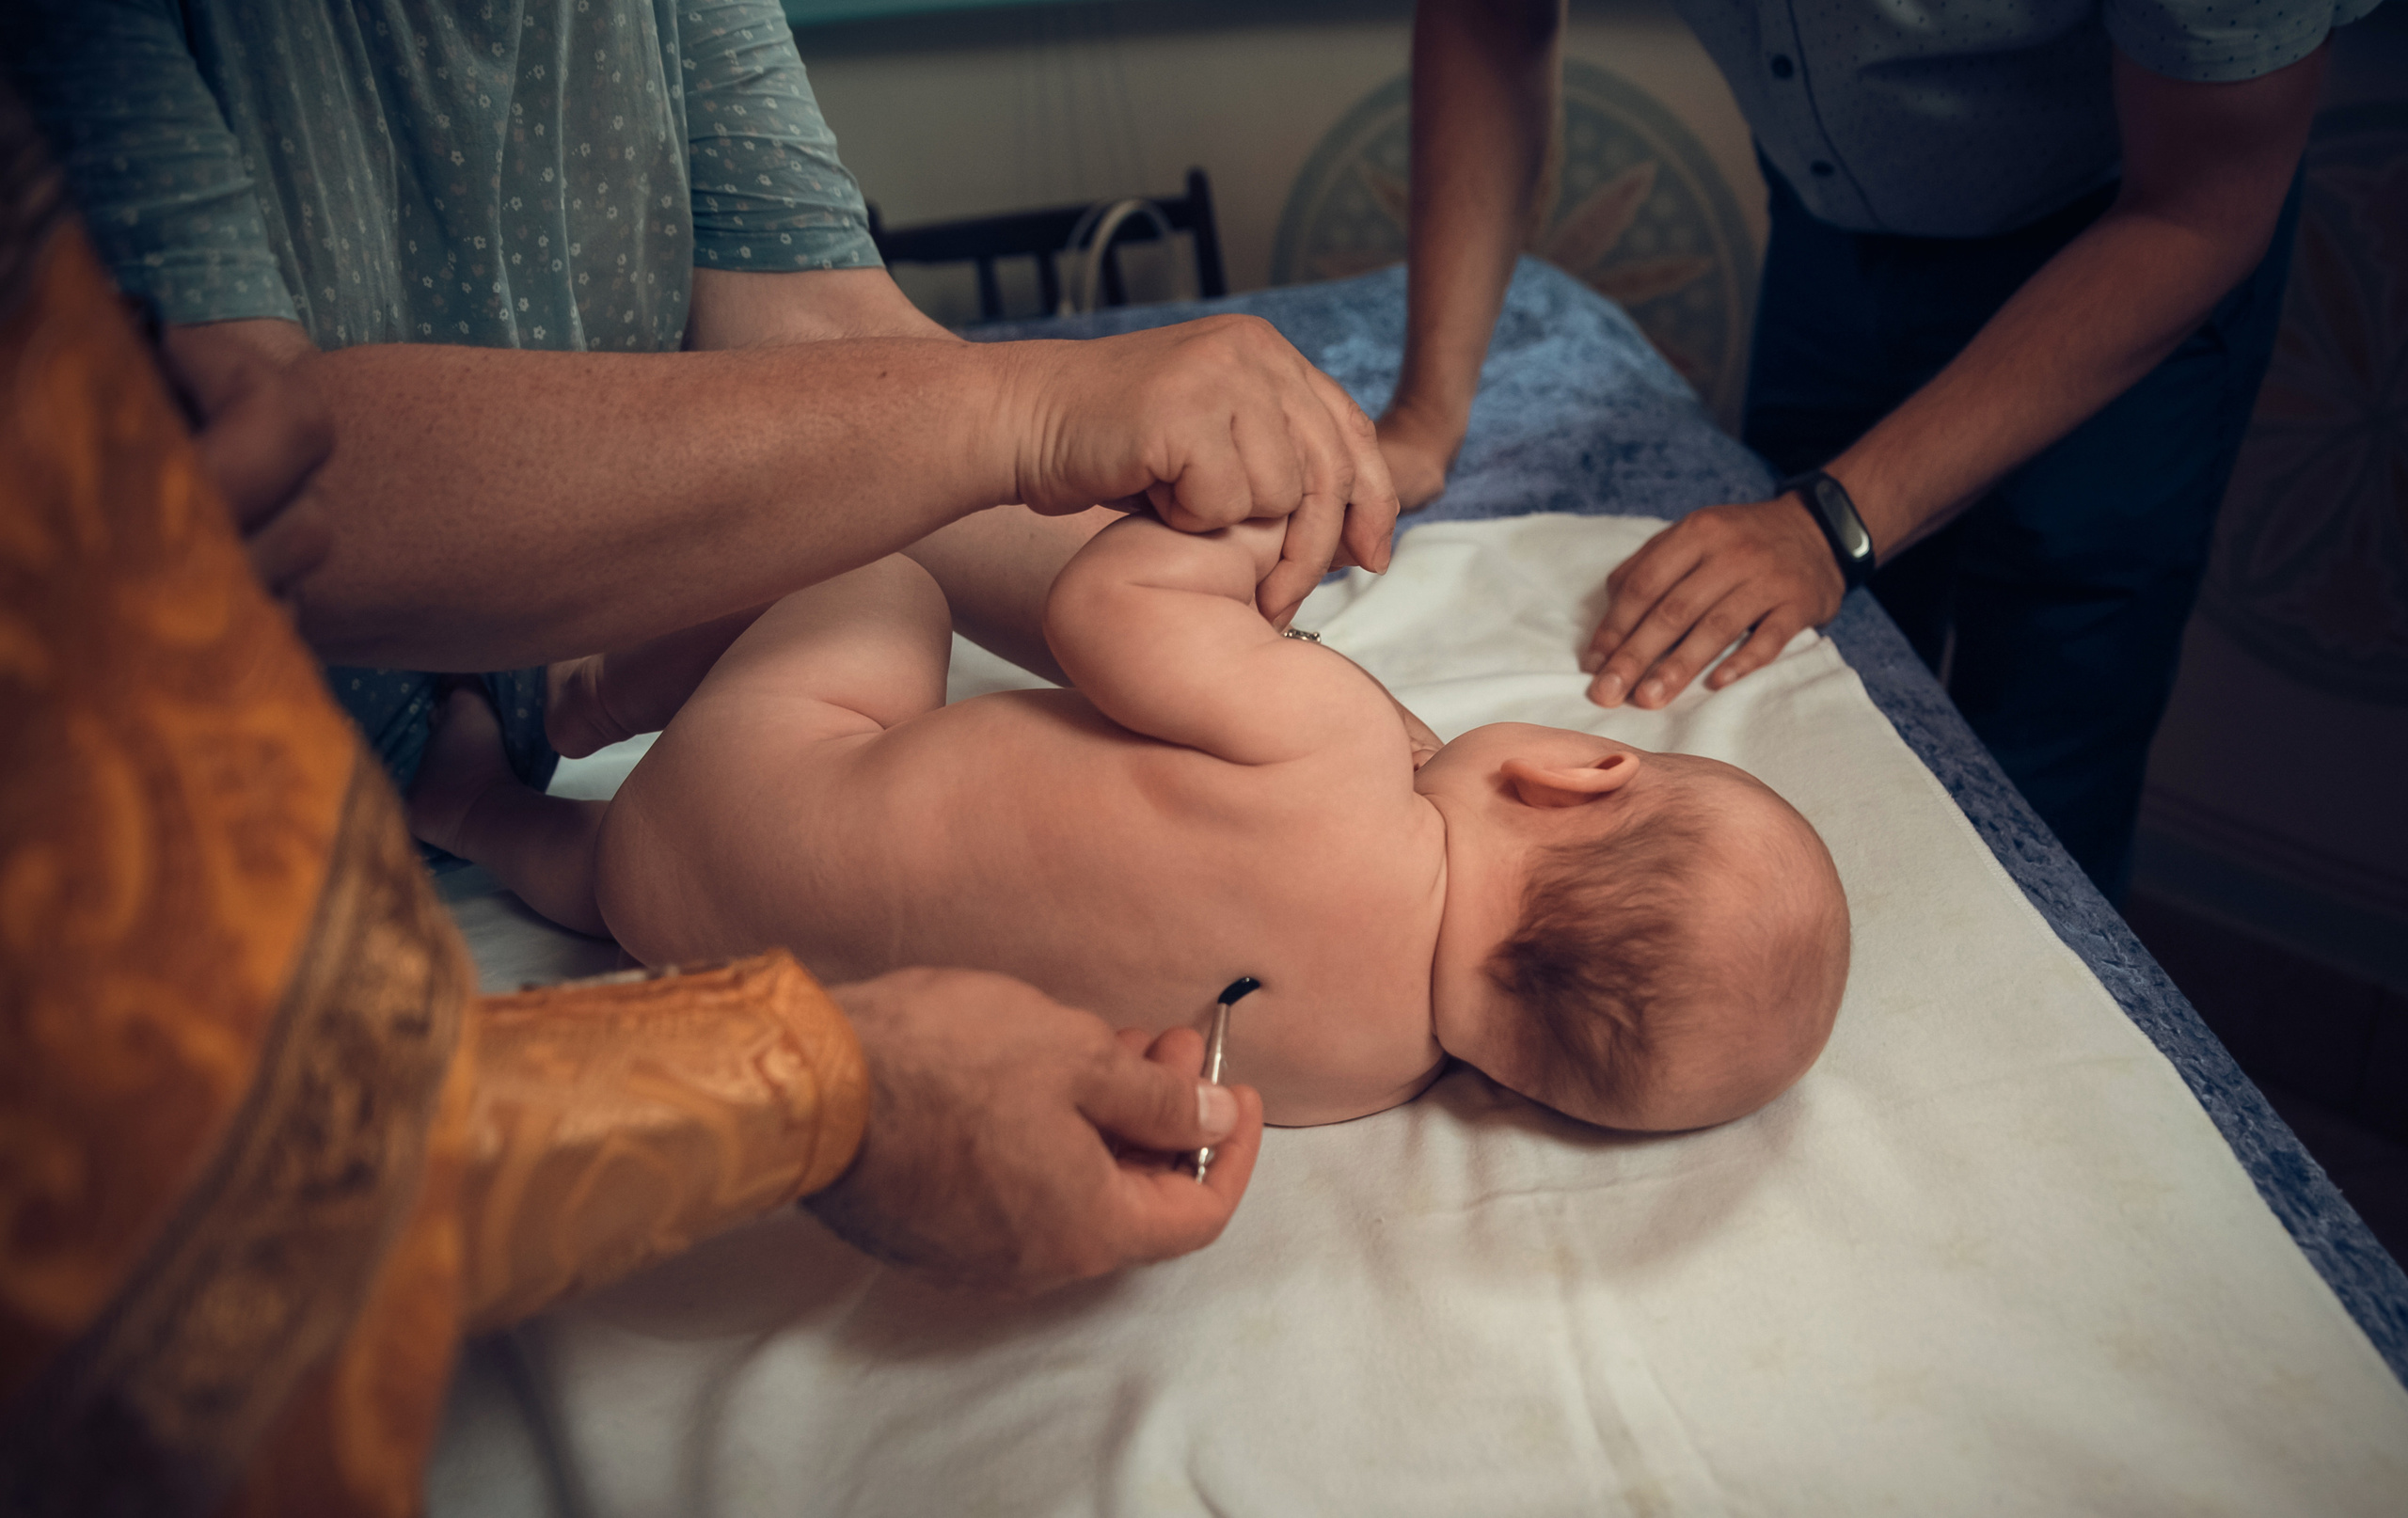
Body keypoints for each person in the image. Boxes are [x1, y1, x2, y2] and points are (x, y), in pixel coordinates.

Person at [3, 0, 1400, 1296]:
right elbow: (243, 484)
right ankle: (541, 750)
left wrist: (1237, 640)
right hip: (390, 865)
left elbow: (826, 339)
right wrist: (1031, 414)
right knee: (814, 624)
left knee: (862, 590)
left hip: (641, 849)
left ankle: (557, 733)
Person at [412, 513, 1851, 1132]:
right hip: (710, 943)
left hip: (757, 788)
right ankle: (474, 806)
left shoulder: (1344, 751)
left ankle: (595, 692)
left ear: (1575, 772)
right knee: (620, 870)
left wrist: (1246, 535)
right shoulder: (1357, 1078)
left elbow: (1101, 606)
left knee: (886, 571)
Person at [1376, 0, 2362, 899]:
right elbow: (1488, 18)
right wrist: (1426, 414)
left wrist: (1829, 525)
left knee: (2049, 761)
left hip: (2125, 240)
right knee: (1791, 706)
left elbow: (2200, 208)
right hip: (1831, 228)